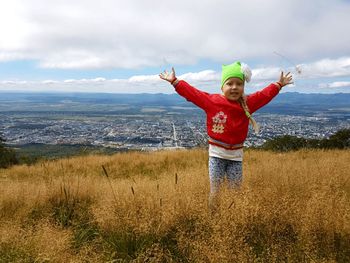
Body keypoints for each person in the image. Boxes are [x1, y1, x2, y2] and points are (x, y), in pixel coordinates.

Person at [159, 61, 293, 202]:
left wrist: (278, 85)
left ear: (243, 86)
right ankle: (213, 217)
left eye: (239, 84)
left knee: (235, 192)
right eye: (230, 84)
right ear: (222, 87)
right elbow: (193, 94)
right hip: (216, 156)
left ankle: (231, 216)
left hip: (236, 158)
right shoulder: (212, 101)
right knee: (215, 192)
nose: (234, 87)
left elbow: (264, 95)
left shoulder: (248, 103)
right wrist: (175, 82)